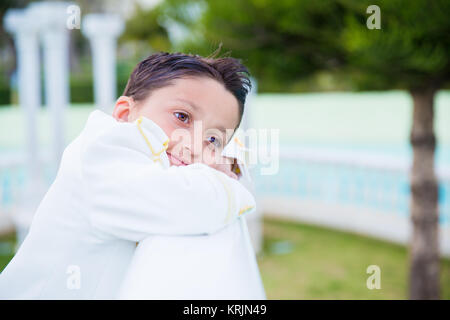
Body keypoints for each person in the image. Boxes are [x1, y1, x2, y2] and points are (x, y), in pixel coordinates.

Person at [0, 51, 261, 299]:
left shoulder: (141, 163)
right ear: (125, 113)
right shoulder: (102, 153)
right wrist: (231, 184)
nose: (194, 146)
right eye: (182, 117)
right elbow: (183, 203)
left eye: (212, 139)